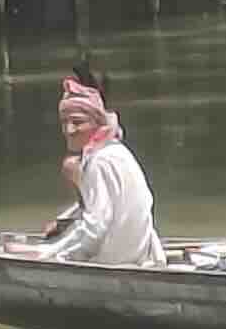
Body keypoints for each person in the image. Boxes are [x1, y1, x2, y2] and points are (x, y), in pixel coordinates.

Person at [35, 73, 163, 266]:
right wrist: (64, 222)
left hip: (117, 258)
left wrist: (56, 255)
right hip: (137, 250)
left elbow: (96, 226)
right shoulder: (116, 151)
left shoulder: (99, 162)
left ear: (96, 124)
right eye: (64, 123)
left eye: (78, 123)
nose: (69, 130)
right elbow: (97, 207)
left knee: (47, 251)